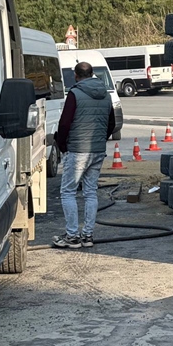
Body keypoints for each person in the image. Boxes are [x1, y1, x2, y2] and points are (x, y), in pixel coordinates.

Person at [53, 61, 115, 249]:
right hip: (97, 151)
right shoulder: (106, 94)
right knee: (90, 192)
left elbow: (64, 124)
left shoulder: (74, 93)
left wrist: (62, 144)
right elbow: (111, 123)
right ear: (93, 74)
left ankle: (72, 236)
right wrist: (100, 140)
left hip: (78, 150)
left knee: (68, 192)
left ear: (76, 75)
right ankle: (87, 236)